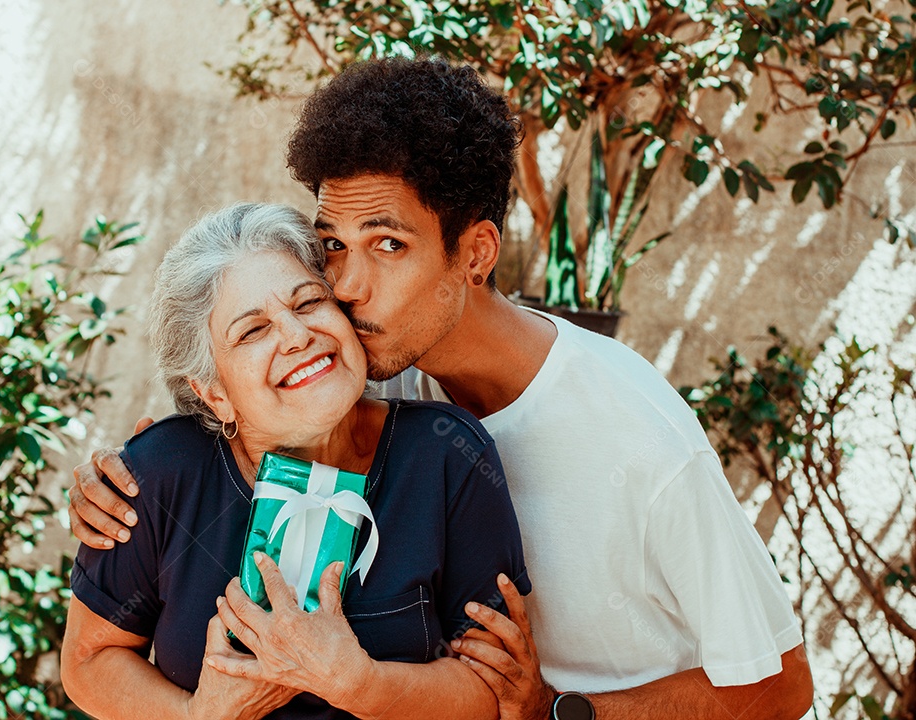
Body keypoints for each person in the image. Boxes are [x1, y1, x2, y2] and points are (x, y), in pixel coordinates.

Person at [69, 57, 815, 720]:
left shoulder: (636, 436)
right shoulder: (389, 360)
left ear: (476, 253)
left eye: (388, 246)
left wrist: (555, 713)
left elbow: (781, 687)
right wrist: (128, 473)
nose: (347, 290)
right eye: (333, 247)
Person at [59, 203, 531, 720]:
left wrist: (361, 684)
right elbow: (89, 661)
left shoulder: (447, 455)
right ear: (214, 394)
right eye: (252, 331)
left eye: (308, 302)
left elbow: (493, 690)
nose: (296, 335)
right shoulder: (161, 472)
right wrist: (198, 717)